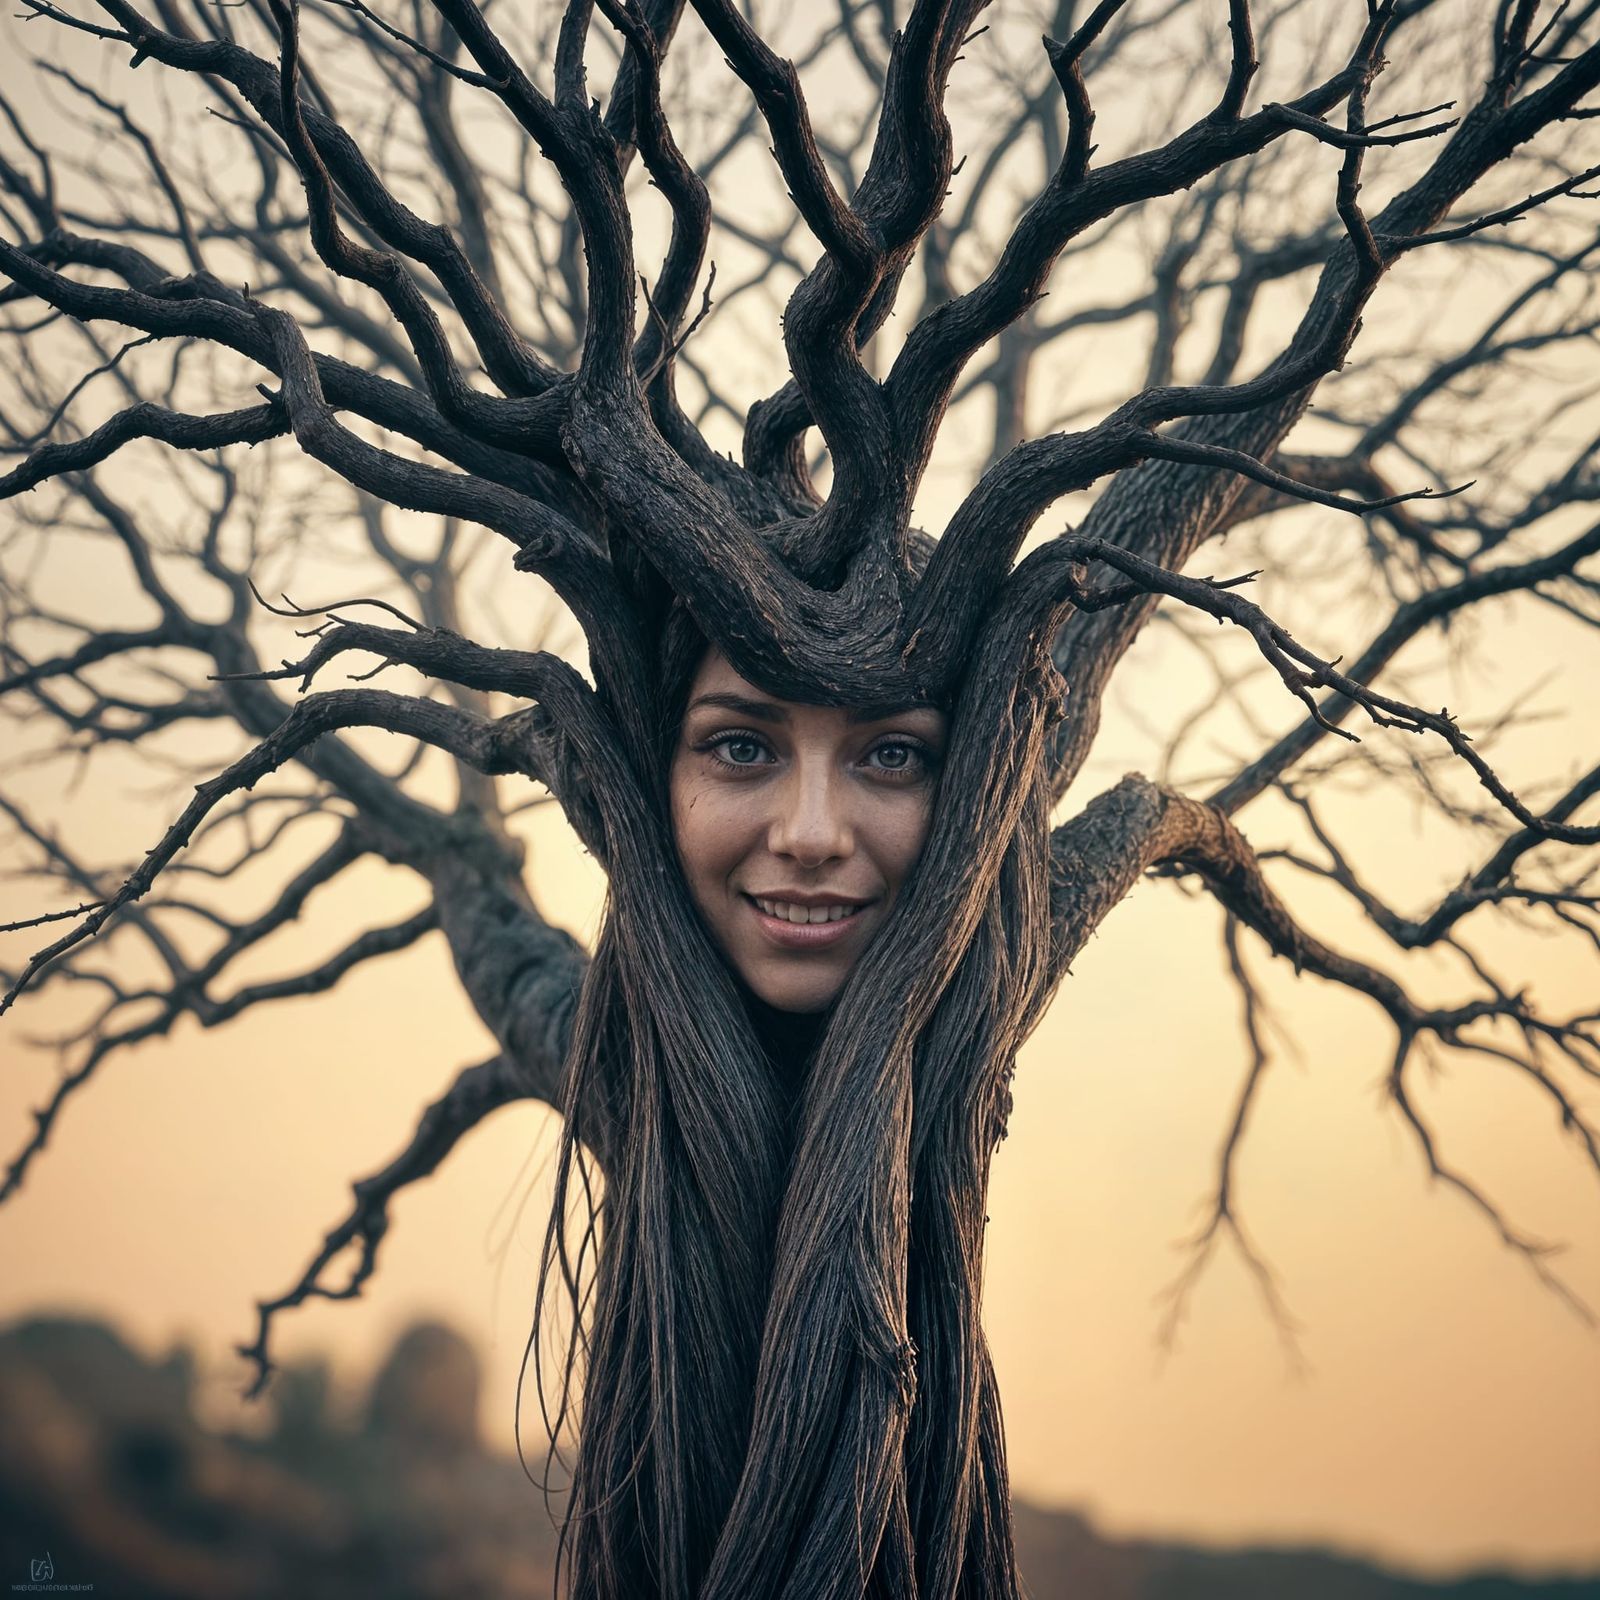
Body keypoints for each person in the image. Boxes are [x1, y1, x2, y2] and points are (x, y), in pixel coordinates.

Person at [528, 594, 1056, 1600]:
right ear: (653, 777)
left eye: (892, 754)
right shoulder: (621, 1066)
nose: (810, 834)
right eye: (739, 746)